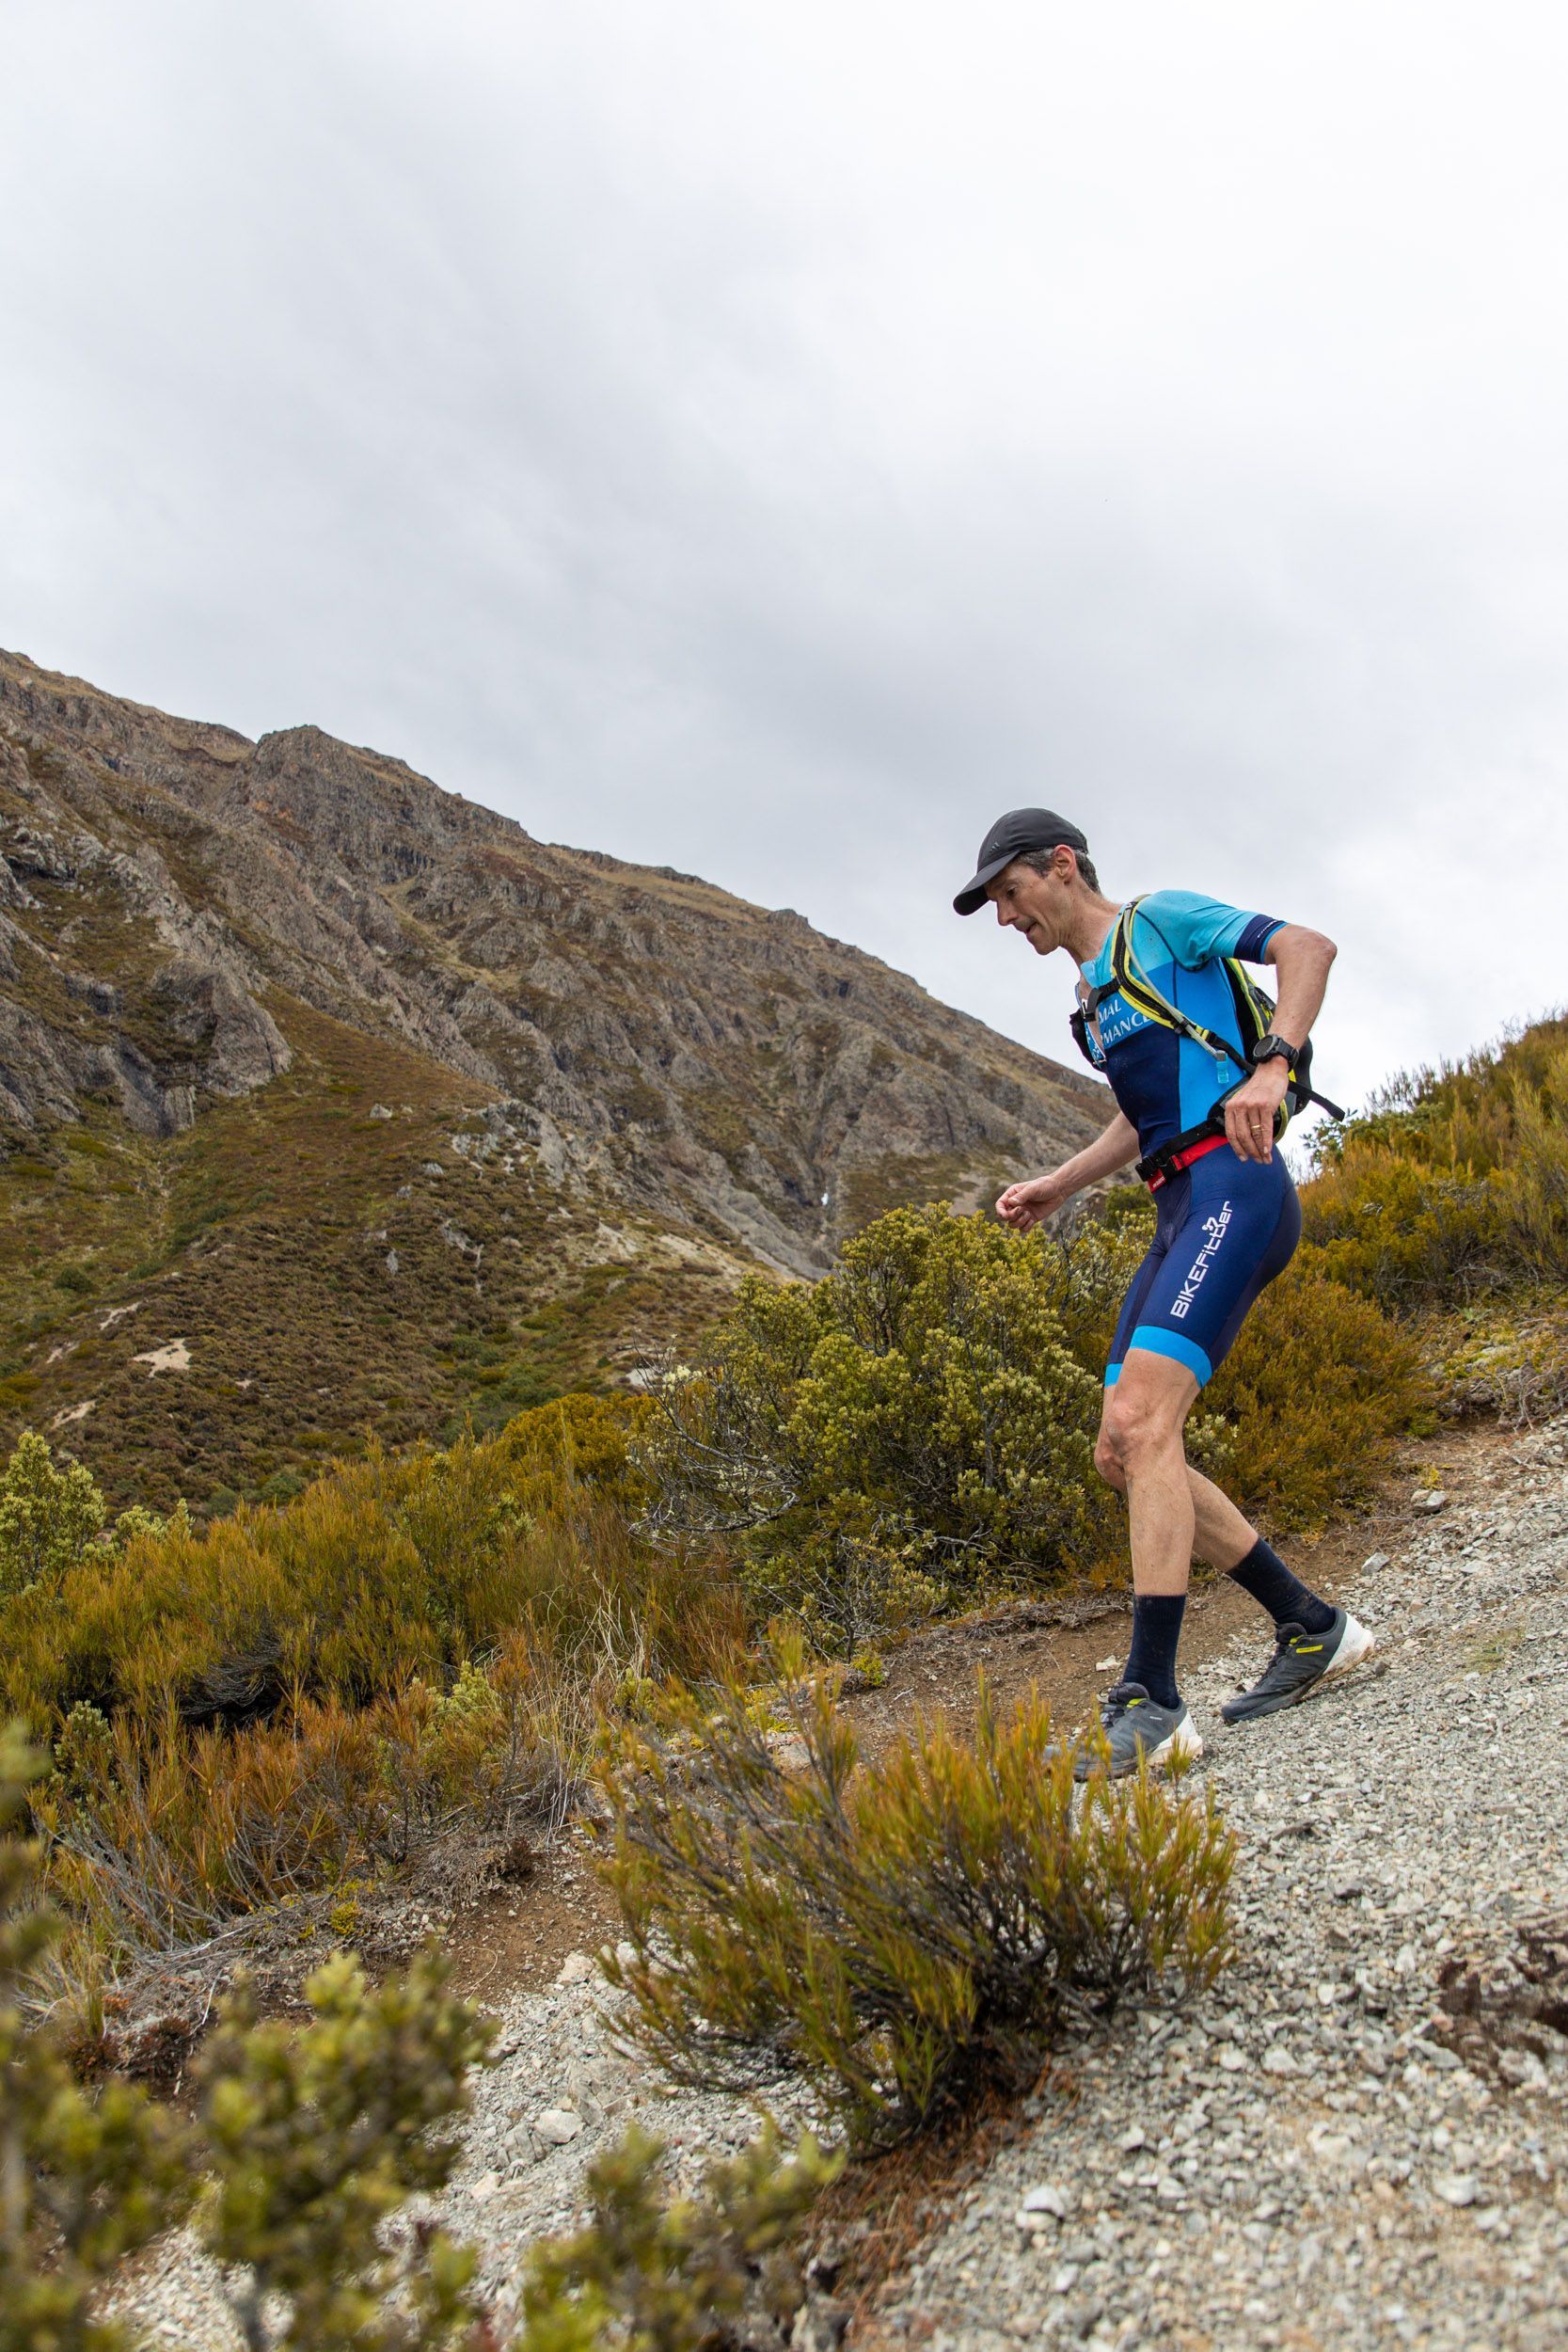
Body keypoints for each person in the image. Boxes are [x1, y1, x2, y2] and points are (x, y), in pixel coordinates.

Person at [953, 807, 1373, 1773]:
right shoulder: (1092, 995)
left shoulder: (1162, 922)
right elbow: (1139, 1116)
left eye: (1010, 895)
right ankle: (1310, 1625)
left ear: (1060, 866)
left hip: (1235, 1181)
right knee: (1119, 1445)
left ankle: (1149, 1702)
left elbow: (1306, 947)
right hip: (1176, 1202)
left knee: (1145, 1425)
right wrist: (1060, 1181)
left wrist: (1274, 1064)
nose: (1007, 919)